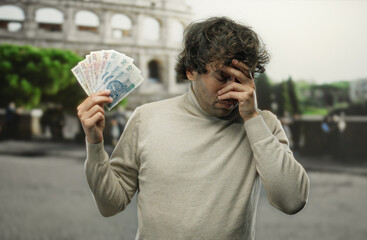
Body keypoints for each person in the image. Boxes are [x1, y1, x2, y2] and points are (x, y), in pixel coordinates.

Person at [77, 17, 310, 239]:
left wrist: (252, 118)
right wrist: (95, 144)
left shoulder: (262, 124)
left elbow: (292, 201)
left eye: (242, 77)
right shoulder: (145, 118)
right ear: (191, 71)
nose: (233, 89)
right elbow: (110, 205)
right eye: (222, 76)